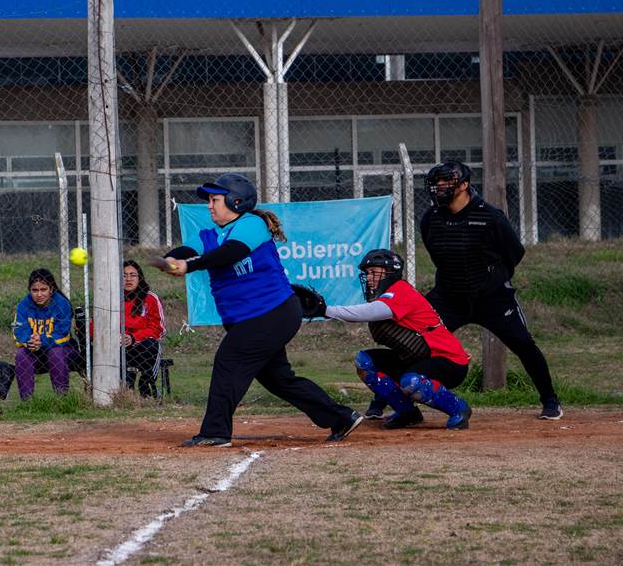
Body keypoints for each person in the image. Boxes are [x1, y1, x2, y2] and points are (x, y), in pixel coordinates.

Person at [158, 172, 362, 447]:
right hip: (249, 318)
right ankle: (341, 417)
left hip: (272, 313)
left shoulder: (252, 224)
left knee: (228, 362)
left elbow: (231, 253)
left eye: (215, 200)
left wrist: (191, 265)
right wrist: (172, 258)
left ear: (237, 201)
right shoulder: (209, 234)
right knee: (279, 379)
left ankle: (215, 431)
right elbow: (189, 249)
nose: (209, 205)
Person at [421, 160, 562, 420]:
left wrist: (493, 279)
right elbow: (436, 253)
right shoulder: (430, 218)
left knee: (523, 344)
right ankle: (389, 401)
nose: (439, 187)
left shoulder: (490, 216)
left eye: (446, 182)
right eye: (436, 183)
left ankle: (550, 400)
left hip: (492, 297)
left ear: (464, 185)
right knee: (415, 341)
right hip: (449, 296)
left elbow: (514, 253)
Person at [321, 249, 472, 430]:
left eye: (373, 272)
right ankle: (408, 413)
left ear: (389, 272)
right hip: (421, 358)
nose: (369, 277)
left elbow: (369, 312)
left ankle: (459, 408)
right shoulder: (387, 295)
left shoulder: (401, 290)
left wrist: (326, 310)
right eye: (367, 273)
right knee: (365, 361)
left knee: (411, 382)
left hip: (450, 361)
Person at [12, 267, 73, 401]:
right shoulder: (23, 305)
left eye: (43, 289)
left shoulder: (62, 304)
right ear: (30, 290)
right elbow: (18, 330)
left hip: (62, 350)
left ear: (51, 289)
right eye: (35, 290)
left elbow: (63, 334)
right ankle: (27, 402)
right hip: (34, 349)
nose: (39, 294)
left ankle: (62, 399)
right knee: (21, 355)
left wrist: (42, 341)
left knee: (55, 352)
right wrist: (29, 341)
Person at [122, 260, 167, 397]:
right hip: (120, 344)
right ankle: (126, 389)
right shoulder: (112, 299)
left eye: (132, 275)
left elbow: (158, 329)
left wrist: (134, 338)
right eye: (124, 275)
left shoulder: (150, 298)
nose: (128, 279)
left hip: (142, 345)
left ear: (139, 278)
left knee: (152, 344)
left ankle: (146, 384)